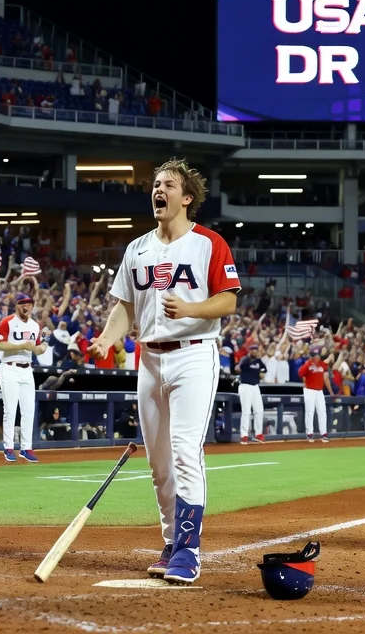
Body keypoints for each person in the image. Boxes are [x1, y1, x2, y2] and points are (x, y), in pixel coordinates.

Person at [89, 158, 239, 585]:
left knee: (185, 450)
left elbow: (228, 301)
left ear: (186, 197)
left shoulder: (209, 243)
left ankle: (189, 550)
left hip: (194, 355)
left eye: (168, 184)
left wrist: (190, 308)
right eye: (155, 184)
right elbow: (124, 307)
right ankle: (172, 541)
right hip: (148, 359)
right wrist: (107, 338)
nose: (159, 190)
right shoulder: (137, 249)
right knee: (159, 462)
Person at [0, 293, 45, 462]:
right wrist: (21, 345)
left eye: (29, 303)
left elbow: (37, 347)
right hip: (9, 367)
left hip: (27, 369)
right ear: (17, 305)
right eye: (23, 303)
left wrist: (42, 348)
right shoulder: (7, 321)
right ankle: (8, 447)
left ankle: (26, 448)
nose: (26, 306)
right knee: (10, 409)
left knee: (28, 410)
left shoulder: (34, 325)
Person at [236, 343, 266, 444]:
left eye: (256, 350)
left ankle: (258, 434)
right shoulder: (245, 359)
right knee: (247, 411)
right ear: (249, 351)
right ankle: (244, 435)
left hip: (255, 387)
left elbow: (263, 370)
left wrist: (261, 373)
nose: (254, 351)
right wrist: (242, 365)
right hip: (245, 386)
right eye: (252, 349)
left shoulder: (258, 361)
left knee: (259, 410)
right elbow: (237, 368)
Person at [298, 349, 330, 442]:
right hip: (309, 390)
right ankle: (309, 434)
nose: (317, 357)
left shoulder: (321, 364)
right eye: (315, 355)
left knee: (322, 411)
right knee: (310, 412)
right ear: (312, 356)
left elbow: (326, 367)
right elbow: (300, 373)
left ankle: (324, 433)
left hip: (319, 391)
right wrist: (308, 364)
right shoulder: (307, 364)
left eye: (318, 355)